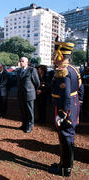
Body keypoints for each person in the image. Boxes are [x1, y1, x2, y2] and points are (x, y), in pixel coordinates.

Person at [49, 40, 84, 177]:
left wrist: (63, 113)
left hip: (66, 109)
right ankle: (65, 164)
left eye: (55, 54)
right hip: (74, 107)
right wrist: (79, 102)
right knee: (69, 137)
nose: (53, 57)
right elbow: (81, 87)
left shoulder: (63, 72)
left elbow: (65, 95)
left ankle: (65, 169)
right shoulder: (73, 68)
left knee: (65, 138)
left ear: (60, 56)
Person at [17, 57, 40, 133]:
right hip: (21, 94)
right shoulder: (19, 70)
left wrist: (32, 90)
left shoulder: (32, 70)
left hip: (29, 94)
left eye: (22, 61)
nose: (21, 62)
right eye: (20, 61)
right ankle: (24, 124)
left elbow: (37, 82)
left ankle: (30, 126)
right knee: (23, 110)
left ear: (27, 62)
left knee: (29, 111)